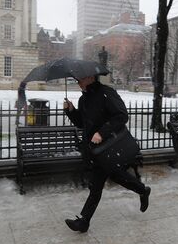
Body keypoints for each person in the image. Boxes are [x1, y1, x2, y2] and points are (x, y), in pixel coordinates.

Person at [62, 75, 150, 233]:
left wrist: (102, 133)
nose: (77, 82)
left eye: (80, 79)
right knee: (105, 181)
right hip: (95, 150)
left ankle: (84, 221)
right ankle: (142, 190)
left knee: (101, 183)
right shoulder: (84, 99)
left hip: (110, 147)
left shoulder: (106, 93)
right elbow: (82, 123)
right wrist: (71, 111)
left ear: (89, 77)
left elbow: (122, 116)